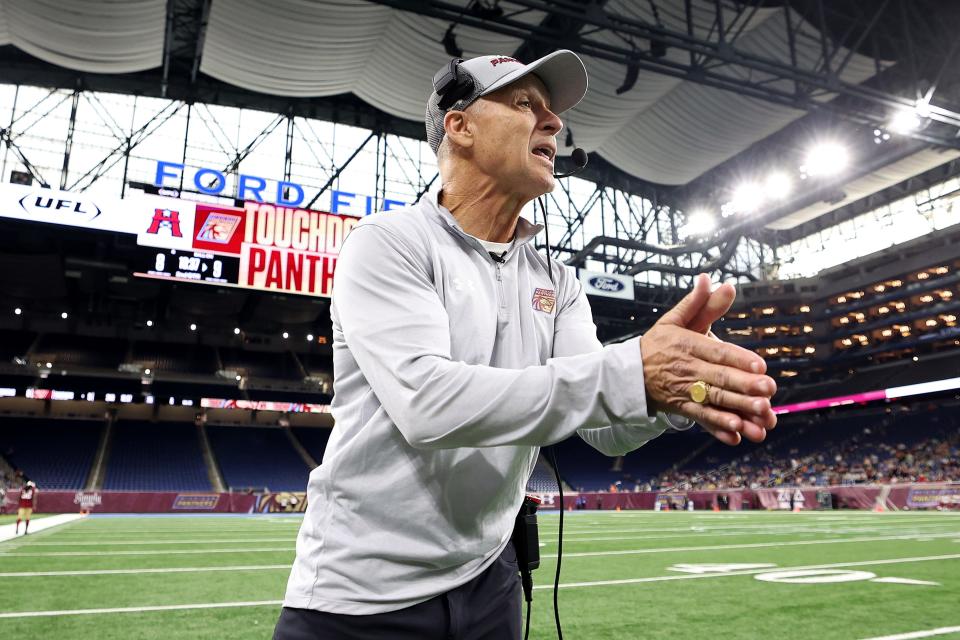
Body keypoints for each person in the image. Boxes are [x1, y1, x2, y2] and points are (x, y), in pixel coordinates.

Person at [274, 50, 777, 639]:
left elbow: (605, 426)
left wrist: (673, 393)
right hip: (361, 595)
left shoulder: (557, 281)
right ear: (459, 126)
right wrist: (632, 370)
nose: (555, 123)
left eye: (552, 111)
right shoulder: (388, 243)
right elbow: (427, 405)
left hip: (490, 579)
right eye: (525, 104)